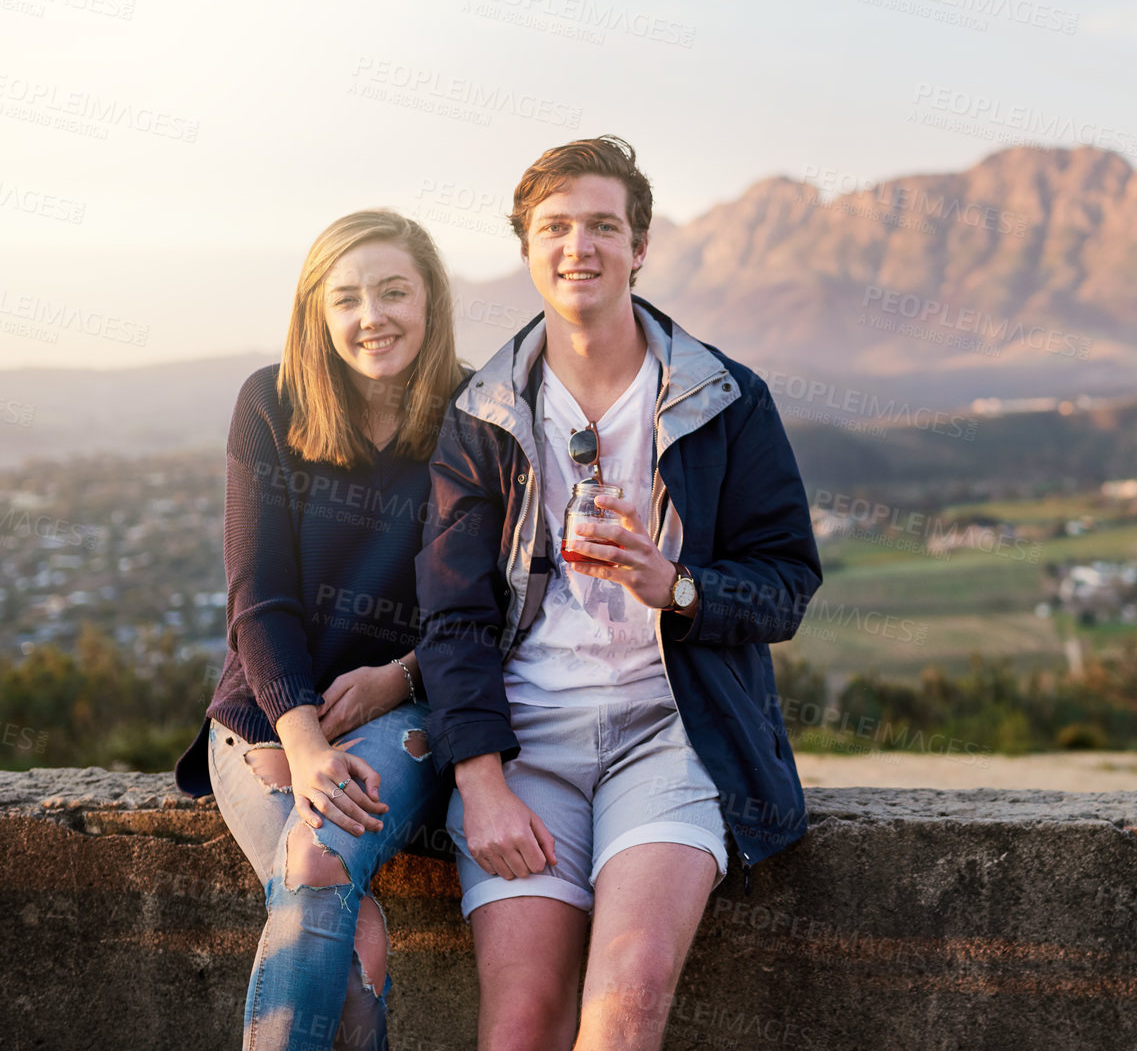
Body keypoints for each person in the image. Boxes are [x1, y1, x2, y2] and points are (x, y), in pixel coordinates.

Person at [415, 135, 822, 1050]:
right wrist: (479, 781)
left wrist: (675, 586)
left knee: (625, 1005)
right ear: (526, 248)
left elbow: (787, 585)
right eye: (555, 227)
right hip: (527, 747)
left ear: (640, 246)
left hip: (669, 735)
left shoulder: (727, 398)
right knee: (519, 1025)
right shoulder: (483, 416)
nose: (578, 247)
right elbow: (452, 616)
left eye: (603, 225)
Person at [174, 209, 466, 1051]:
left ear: (430, 301)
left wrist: (400, 676)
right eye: (346, 297)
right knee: (347, 921)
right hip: (271, 711)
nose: (370, 314)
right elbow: (257, 596)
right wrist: (300, 739)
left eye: (393, 290)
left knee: (316, 864)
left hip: (408, 710)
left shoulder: (473, 414)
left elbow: (492, 598)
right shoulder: (270, 401)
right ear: (316, 311)